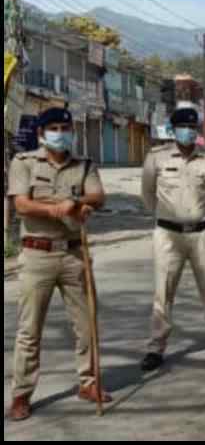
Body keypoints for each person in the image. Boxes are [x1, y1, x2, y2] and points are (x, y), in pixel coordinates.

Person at [6, 107, 111, 421]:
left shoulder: (84, 165)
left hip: (75, 253)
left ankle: (88, 383)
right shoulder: (23, 163)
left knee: (87, 324)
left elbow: (98, 196)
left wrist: (79, 204)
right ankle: (21, 394)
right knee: (29, 329)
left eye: (65, 128)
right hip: (37, 254)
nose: (60, 133)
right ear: (41, 134)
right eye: (53, 128)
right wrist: (56, 210)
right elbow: (21, 205)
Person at [140, 107, 205, 373]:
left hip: (203, 232)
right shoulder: (157, 157)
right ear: (173, 130)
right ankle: (155, 347)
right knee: (163, 292)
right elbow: (148, 193)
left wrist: (197, 214)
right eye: (183, 127)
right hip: (167, 234)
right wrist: (167, 216)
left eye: (193, 127)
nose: (188, 131)